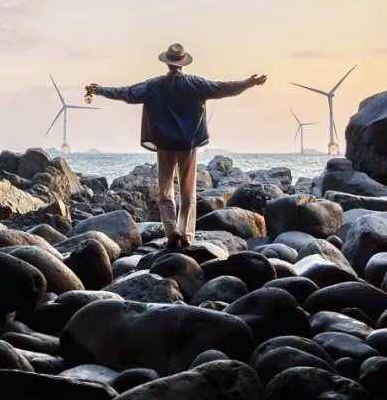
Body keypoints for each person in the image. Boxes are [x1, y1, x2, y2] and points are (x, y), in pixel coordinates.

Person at [86, 44, 266, 250]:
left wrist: (100, 90)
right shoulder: (196, 83)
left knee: (165, 191)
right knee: (188, 193)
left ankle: (172, 231)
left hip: (164, 144)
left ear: (167, 63)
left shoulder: (155, 85)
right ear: (182, 63)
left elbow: (126, 93)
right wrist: (249, 83)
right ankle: (187, 235)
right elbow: (225, 88)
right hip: (188, 144)